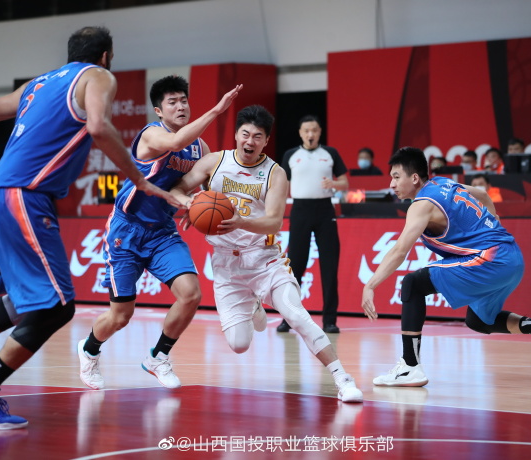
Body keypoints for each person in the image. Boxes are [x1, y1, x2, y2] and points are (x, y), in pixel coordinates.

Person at [0, 26, 181, 430]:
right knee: (57, 307)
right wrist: (140, 179)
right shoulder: (98, 76)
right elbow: (98, 126)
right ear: (105, 56)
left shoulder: (36, 85)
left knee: (26, 300)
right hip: (25, 194)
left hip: (0, 192)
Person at [169, 105, 363, 403]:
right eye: (245, 134)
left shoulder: (275, 173)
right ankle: (254, 305)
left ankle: (343, 379)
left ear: (266, 141)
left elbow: (273, 221)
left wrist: (241, 222)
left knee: (297, 316)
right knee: (238, 344)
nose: (250, 141)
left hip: (264, 259)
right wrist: (191, 205)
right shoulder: (214, 162)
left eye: (257, 136)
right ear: (236, 135)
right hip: (226, 265)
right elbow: (178, 188)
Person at [77, 76, 242, 391]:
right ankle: (89, 349)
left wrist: (199, 204)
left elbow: (203, 186)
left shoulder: (201, 148)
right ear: (159, 110)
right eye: (173, 102)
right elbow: (175, 143)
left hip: (162, 233)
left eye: (184, 100)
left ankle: (158, 356)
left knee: (191, 294)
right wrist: (217, 111)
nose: (181, 107)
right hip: (127, 230)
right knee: (120, 316)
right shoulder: (152, 134)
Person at [361, 147, 531, 387]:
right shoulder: (443, 183)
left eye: (396, 177)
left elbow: (400, 250)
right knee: (479, 320)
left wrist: (371, 285)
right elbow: (482, 194)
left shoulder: (421, 205)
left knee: (412, 284)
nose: (392, 184)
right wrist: (494, 222)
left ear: (415, 178)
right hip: (512, 257)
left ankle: (410, 366)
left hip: (491, 258)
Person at [277, 115, 348, 334]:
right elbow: (282, 187)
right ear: (300, 133)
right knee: (295, 265)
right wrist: (276, 214)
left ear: (319, 132)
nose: (311, 134)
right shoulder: (291, 155)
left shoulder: (330, 153)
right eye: (306, 130)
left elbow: (345, 183)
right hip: (300, 210)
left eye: (314, 130)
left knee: (329, 265)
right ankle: (288, 318)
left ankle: (330, 320)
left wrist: (333, 183)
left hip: (325, 210)